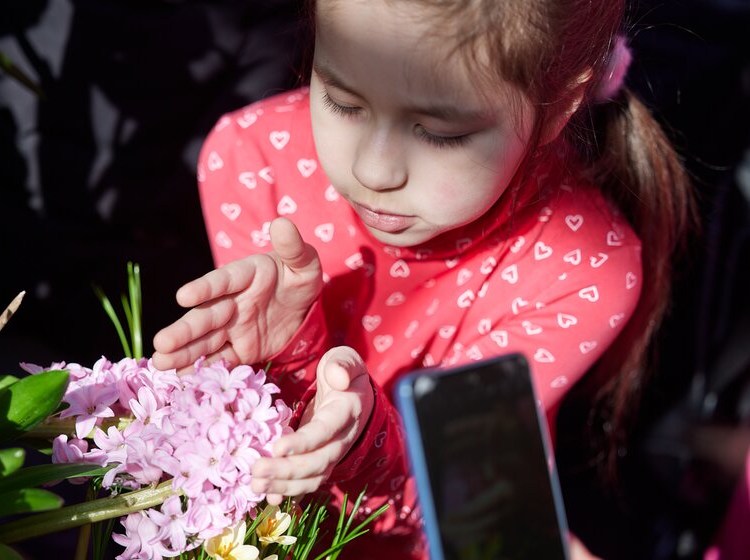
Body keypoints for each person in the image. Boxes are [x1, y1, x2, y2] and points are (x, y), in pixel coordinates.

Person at [152, 0, 695, 557]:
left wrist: (361, 437)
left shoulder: (582, 268)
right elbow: (250, 439)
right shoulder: (255, 159)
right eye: (343, 102)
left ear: (560, 104)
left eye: (439, 133)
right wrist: (288, 350)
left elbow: (463, 490)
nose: (374, 170)